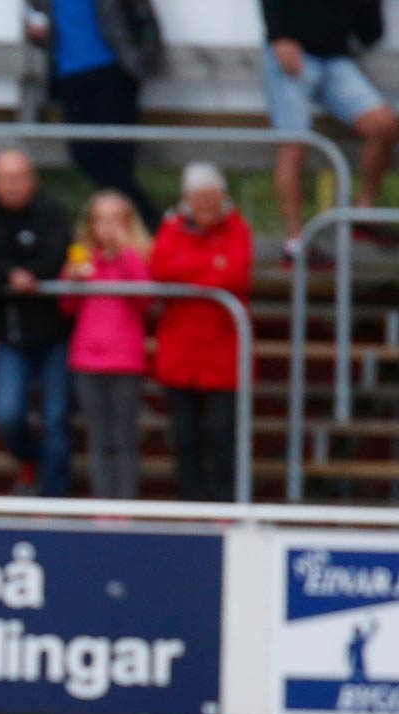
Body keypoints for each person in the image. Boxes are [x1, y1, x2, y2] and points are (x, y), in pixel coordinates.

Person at [0, 150, 75, 497]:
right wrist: (8, 276)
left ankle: (53, 499)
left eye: (19, 177)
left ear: (32, 179)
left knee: (57, 419)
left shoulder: (52, 212)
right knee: (8, 414)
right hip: (10, 334)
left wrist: (32, 276)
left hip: (54, 332)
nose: (12, 186)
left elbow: (57, 257)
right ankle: (30, 459)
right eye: (5, 178)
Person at [260, 0, 398, 262]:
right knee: (294, 142)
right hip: (292, 52)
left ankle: (363, 213)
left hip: (335, 60)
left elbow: (369, 34)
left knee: (383, 125)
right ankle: (295, 243)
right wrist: (278, 36)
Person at [149, 163, 252, 503]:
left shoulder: (237, 228)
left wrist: (187, 274)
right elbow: (160, 270)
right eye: (199, 197)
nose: (206, 204)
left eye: (212, 196)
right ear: (186, 199)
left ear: (223, 196)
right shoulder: (171, 227)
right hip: (180, 352)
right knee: (184, 436)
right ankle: (191, 501)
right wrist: (208, 267)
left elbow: (234, 274)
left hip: (222, 353)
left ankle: (225, 502)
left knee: (223, 434)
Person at [25, 0, 166, 230]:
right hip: (70, 77)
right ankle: (150, 229)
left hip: (113, 73)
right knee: (84, 155)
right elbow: (40, 30)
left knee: (116, 161)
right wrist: (37, 34)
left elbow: (144, 18)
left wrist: (139, 64)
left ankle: (148, 229)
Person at [62, 191, 153, 500]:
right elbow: (66, 307)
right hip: (87, 361)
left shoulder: (138, 257)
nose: (107, 228)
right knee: (98, 438)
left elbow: (144, 300)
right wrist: (72, 280)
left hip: (125, 362)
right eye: (100, 221)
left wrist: (123, 254)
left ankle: (126, 502)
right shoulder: (83, 259)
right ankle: (102, 501)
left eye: (115, 220)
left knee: (124, 436)